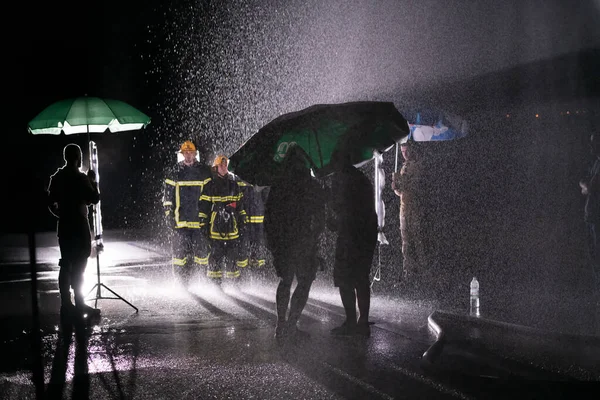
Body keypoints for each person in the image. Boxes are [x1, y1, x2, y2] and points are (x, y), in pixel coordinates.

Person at [265, 146, 326, 339]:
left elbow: (269, 218)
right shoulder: (309, 184)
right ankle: (292, 324)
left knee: (285, 281)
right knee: (305, 281)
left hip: (283, 243)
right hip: (304, 242)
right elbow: (321, 211)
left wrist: (272, 244)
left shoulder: (278, 185)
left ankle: (280, 324)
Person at [47, 143, 101, 318]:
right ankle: (79, 303)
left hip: (64, 225)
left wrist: (60, 214)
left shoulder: (57, 177)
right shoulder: (81, 178)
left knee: (66, 263)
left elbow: (50, 202)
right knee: (80, 265)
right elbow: (94, 199)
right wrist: (93, 181)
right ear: (78, 158)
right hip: (79, 224)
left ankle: (66, 304)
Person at [328, 152, 378, 337]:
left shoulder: (341, 180)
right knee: (360, 278)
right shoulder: (360, 178)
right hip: (366, 234)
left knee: (344, 278)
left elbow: (342, 209)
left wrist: (330, 202)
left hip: (352, 235)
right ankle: (362, 322)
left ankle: (351, 321)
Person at [163, 140, 212, 287]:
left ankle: (201, 281)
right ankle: (181, 283)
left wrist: (206, 216)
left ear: (195, 154)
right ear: (182, 154)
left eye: (191, 152)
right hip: (180, 220)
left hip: (199, 221)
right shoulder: (174, 172)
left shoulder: (204, 171)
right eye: (186, 152)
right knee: (179, 255)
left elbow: (208, 196)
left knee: (201, 254)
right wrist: (168, 215)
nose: (188, 155)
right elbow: (167, 196)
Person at [199, 154, 248, 286]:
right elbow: (204, 206)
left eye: (225, 165)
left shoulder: (234, 182)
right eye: (221, 165)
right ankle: (215, 284)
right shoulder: (210, 184)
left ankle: (234, 284)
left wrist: (243, 219)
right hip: (216, 227)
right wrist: (203, 223)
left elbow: (240, 204)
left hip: (232, 226)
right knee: (215, 255)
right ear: (216, 167)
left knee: (233, 255)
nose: (224, 167)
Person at [391, 140, 424, 285]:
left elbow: (414, 187)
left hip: (415, 207)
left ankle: (423, 271)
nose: (405, 154)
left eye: (407, 151)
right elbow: (401, 191)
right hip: (404, 206)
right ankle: (408, 272)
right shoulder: (405, 166)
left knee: (417, 238)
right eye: (403, 152)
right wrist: (396, 187)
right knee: (405, 240)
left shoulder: (417, 166)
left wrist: (400, 182)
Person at [579, 133, 600, 294]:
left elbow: (590, 186)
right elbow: (586, 183)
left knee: (597, 257)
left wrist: (586, 186)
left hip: (595, 218)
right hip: (591, 217)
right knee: (594, 257)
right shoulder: (596, 163)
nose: (591, 147)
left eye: (594, 143)